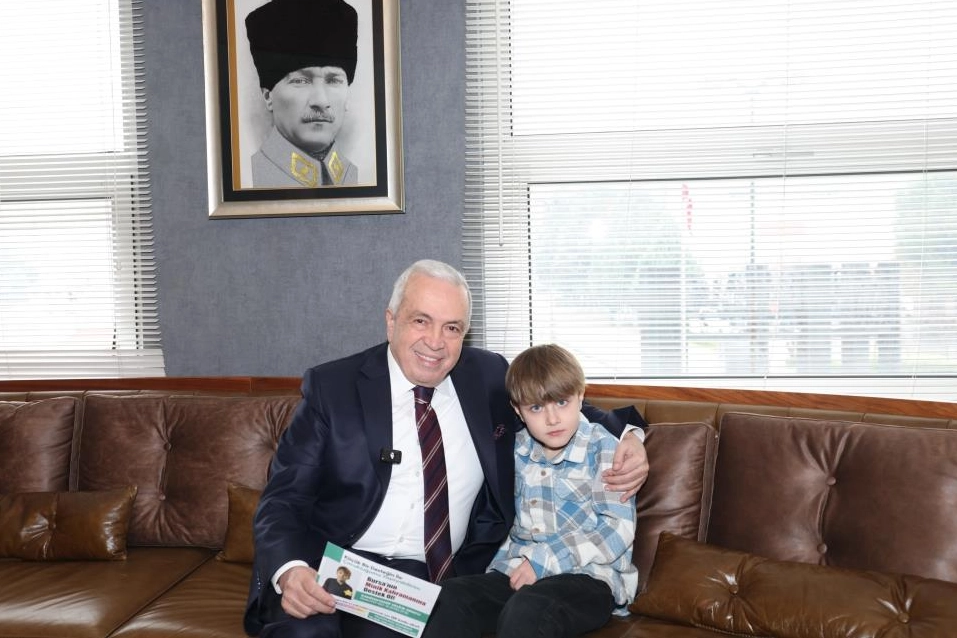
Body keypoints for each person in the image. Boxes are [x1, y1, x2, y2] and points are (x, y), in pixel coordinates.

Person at [243, 259, 649, 638]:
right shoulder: (333, 387)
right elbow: (283, 500)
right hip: (330, 566)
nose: (436, 342)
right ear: (391, 321)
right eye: (421, 321)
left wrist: (631, 435)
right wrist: (291, 570)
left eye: (452, 328)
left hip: (424, 580)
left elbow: (557, 404)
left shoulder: (486, 376)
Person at [421, 344, 638, 638]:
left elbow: (617, 531)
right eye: (536, 408)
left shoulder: (604, 449)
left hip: (589, 576)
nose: (552, 419)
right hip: (518, 570)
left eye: (562, 402)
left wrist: (545, 559)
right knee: (446, 598)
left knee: (528, 609)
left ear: (580, 396)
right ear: (518, 411)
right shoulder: (514, 451)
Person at [244, 0, 359, 188]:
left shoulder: (361, 178)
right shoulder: (247, 179)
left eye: (333, 80)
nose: (321, 101)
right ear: (268, 97)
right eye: (300, 81)